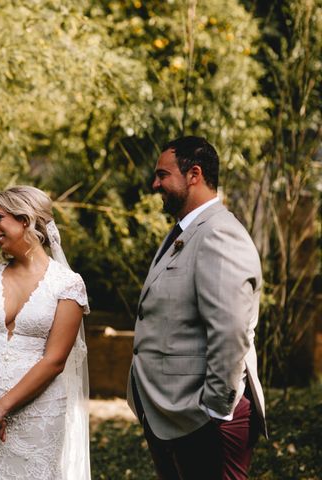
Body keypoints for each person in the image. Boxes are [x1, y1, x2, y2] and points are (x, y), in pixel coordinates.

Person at [127, 136, 267, 480]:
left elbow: (230, 329)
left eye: (163, 174)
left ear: (194, 174)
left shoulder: (219, 234)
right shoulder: (184, 232)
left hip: (204, 420)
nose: (155, 183)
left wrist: (215, 410)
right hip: (170, 415)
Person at [0, 185, 91, 479]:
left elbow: (55, 360)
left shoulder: (67, 284)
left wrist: (1, 408)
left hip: (39, 413)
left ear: (25, 221)